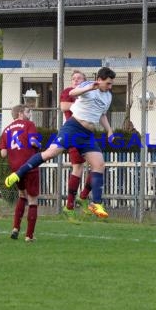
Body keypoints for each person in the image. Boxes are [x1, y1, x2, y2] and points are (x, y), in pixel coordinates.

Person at [5, 67, 117, 219]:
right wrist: (90, 87)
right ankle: (18, 174)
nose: (110, 87)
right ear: (100, 80)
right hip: (73, 127)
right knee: (51, 153)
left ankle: (96, 204)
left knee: (99, 165)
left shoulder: (108, 96)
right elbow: (72, 93)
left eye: (112, 84)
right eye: (108, 83)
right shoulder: (88, 86)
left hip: (87, 135)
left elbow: (102, 114)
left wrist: (109, 130)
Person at [0, 105, 41, 242]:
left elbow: (3, 153)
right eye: (28, 111)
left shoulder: (6, 130)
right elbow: (33, 142)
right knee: (33, 199)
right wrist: (40, 145)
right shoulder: (29, 124)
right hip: (29, 165)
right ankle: (29, 235)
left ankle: (15, 228)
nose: (30, 114)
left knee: (22, 195)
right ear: (21, 113)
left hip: (15, 169)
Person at [60, 70, 92, 221]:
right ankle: (70, 205)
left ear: (85, 81)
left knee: (99, 166)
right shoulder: (69, 91)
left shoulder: (89, 93)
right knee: (77, 168)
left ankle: (83, 197)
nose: (75, 80)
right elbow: (64, 106)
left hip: (87, 132)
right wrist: (83, 104)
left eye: (79, 78)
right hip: (73, 133)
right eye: (73, 78)